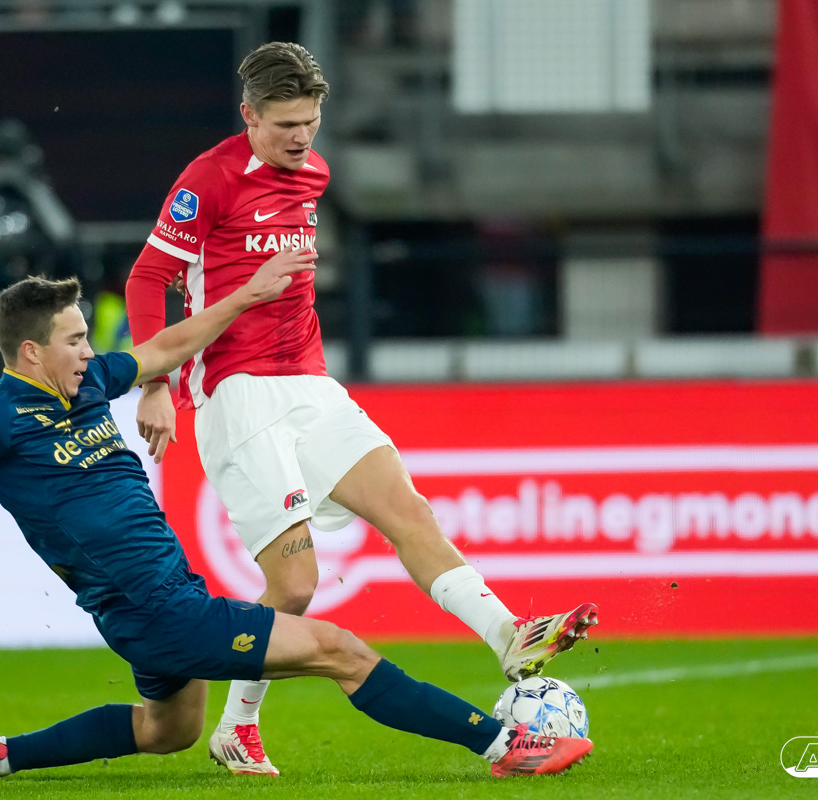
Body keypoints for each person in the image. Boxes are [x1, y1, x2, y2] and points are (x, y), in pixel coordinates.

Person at [0, 254, 593, 781]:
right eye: (75, 340)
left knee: (168, 729)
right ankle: (506, 745)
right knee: (341, 649)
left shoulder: (86, 385)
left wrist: (246, 297)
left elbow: (165, 349)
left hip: (148, 606)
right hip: (158, 610)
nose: (90, 351)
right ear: (31, 352)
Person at [125, 41, 599, 775]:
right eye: (285, 124)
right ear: (249, 115)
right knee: (296, 586)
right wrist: (155, 382)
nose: (301, 138)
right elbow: (147, 276)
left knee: (409, 511)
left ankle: (509, 635)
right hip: (237, 392)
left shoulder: (314, 174)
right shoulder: (208, 179)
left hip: (312, 383)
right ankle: (238, 725)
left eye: (310, 121)